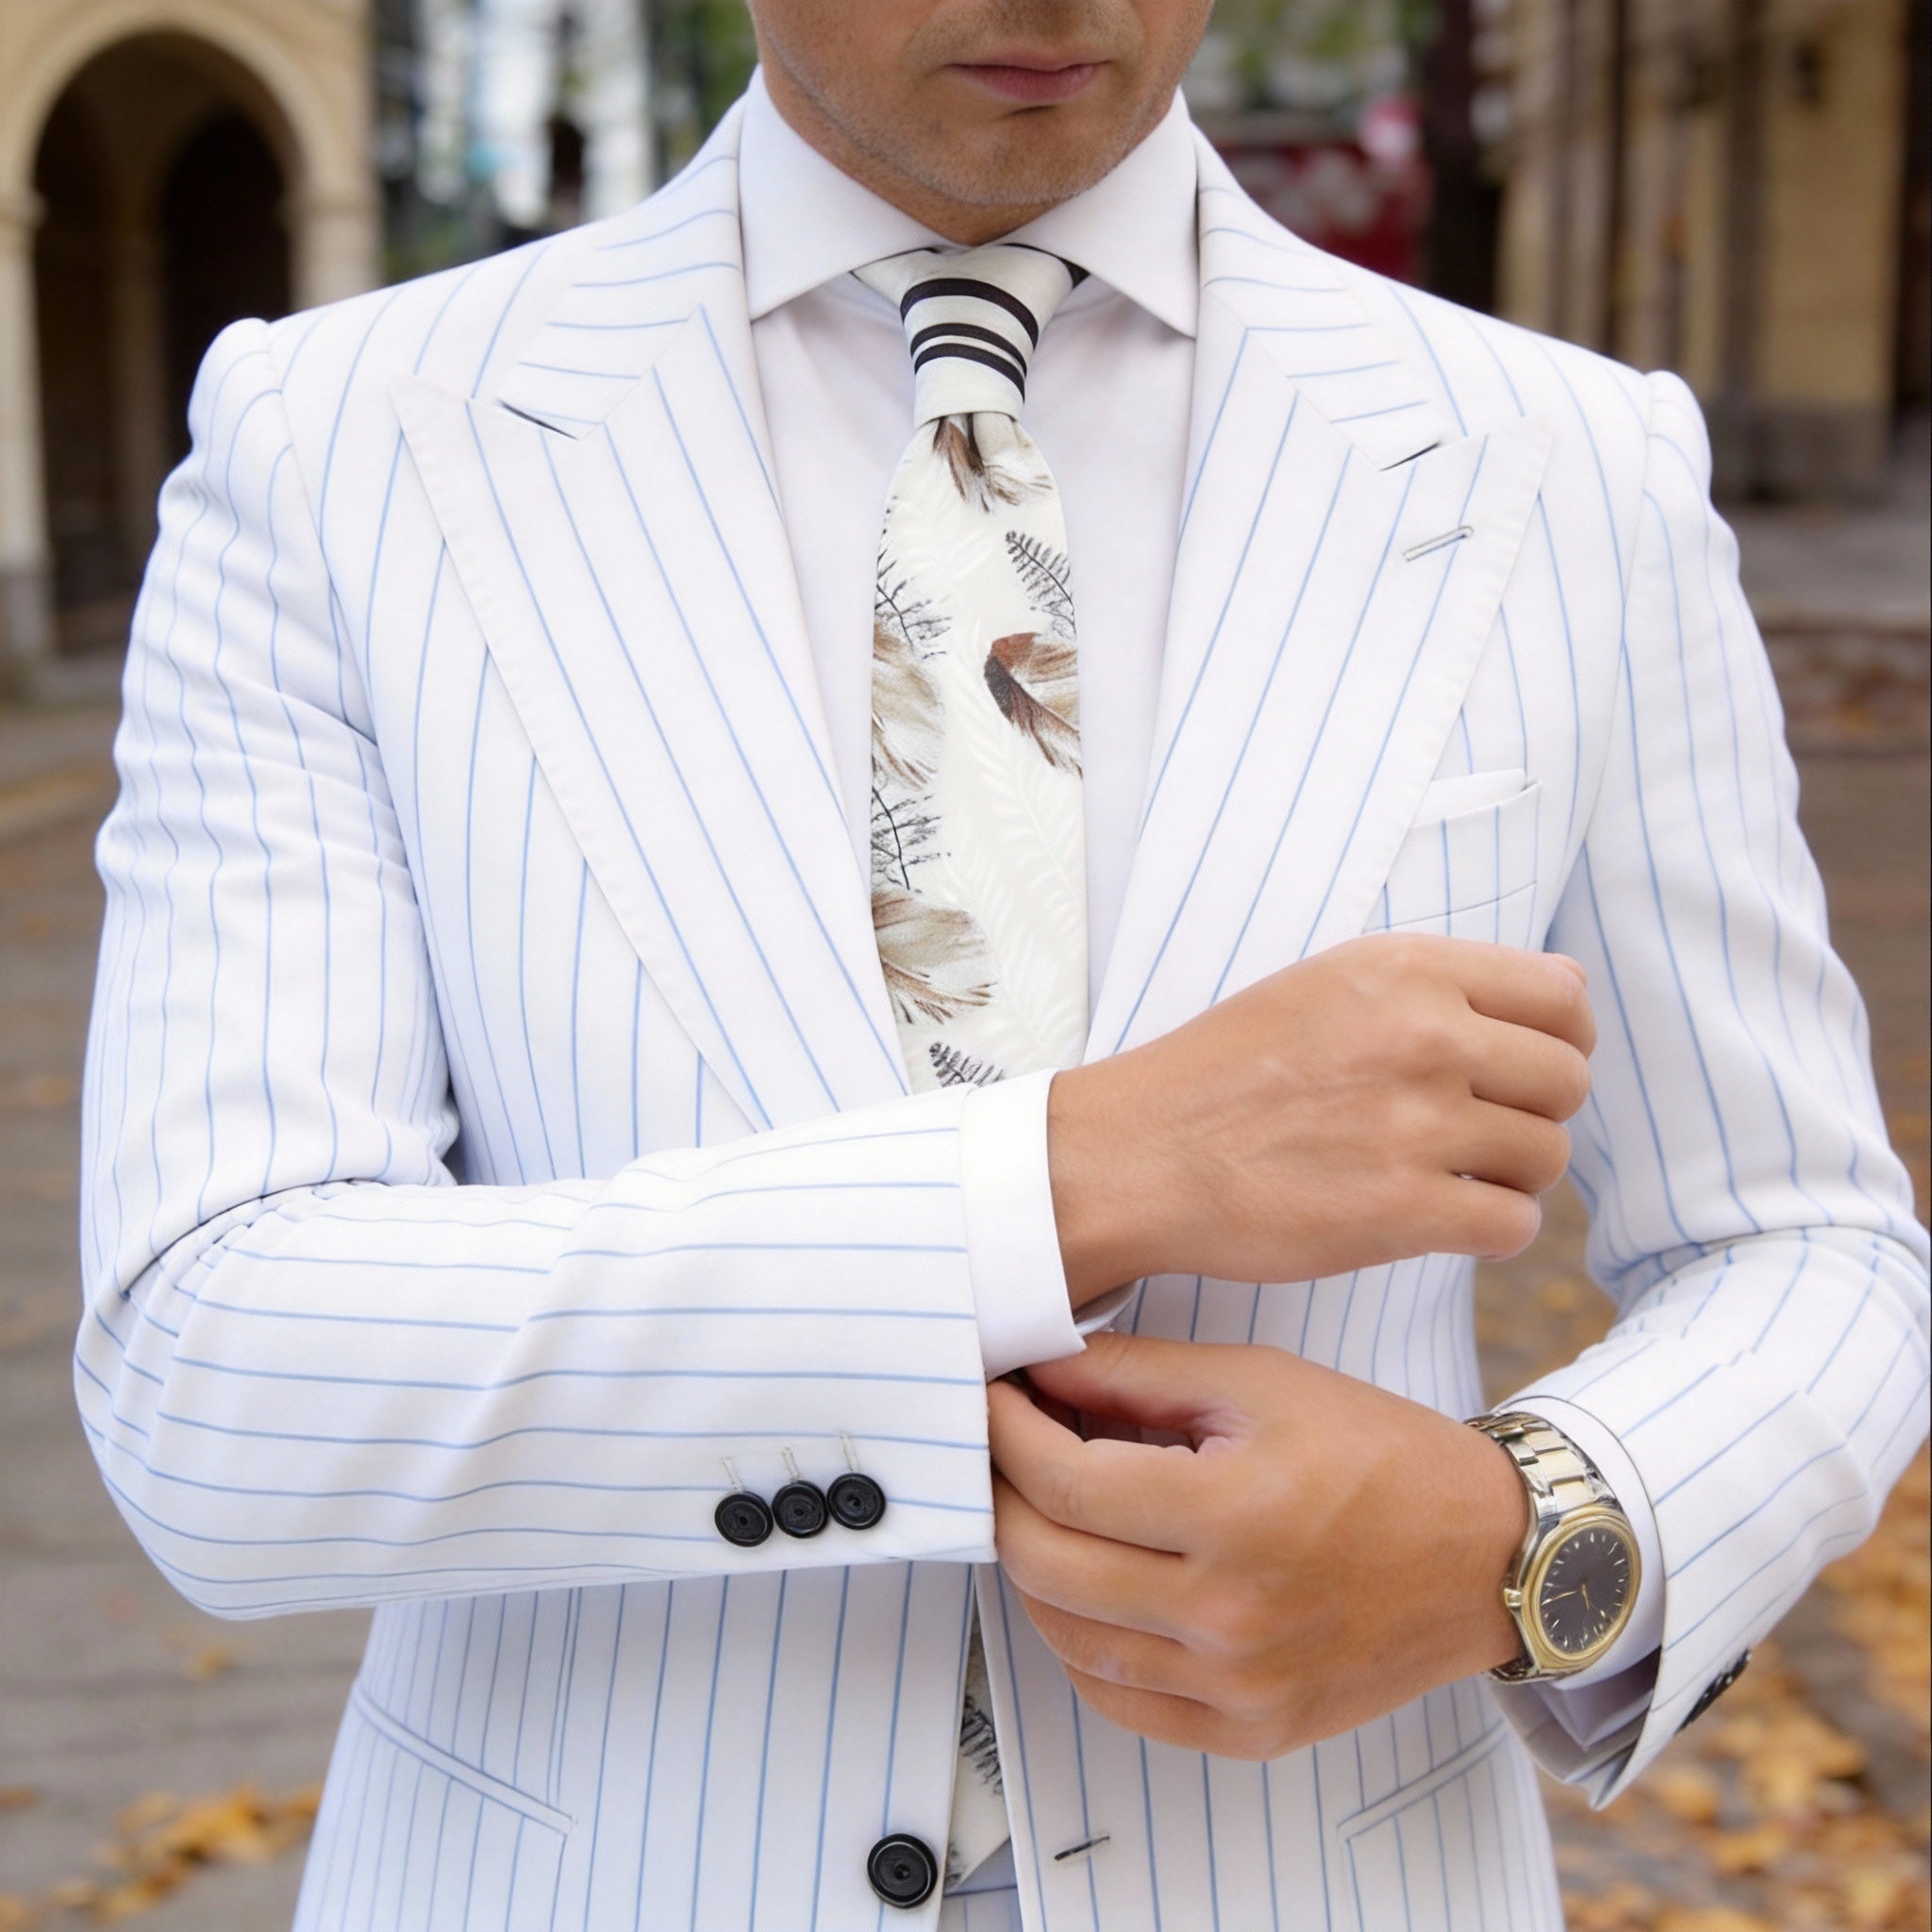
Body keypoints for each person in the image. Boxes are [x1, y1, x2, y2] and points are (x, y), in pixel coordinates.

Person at [76, 0, 1927, 1924]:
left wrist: (1525, 1533)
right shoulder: (340, 446)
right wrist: (1075, 1178)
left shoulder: (1570, 468)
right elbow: (217, 1374)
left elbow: (1803, 1243)